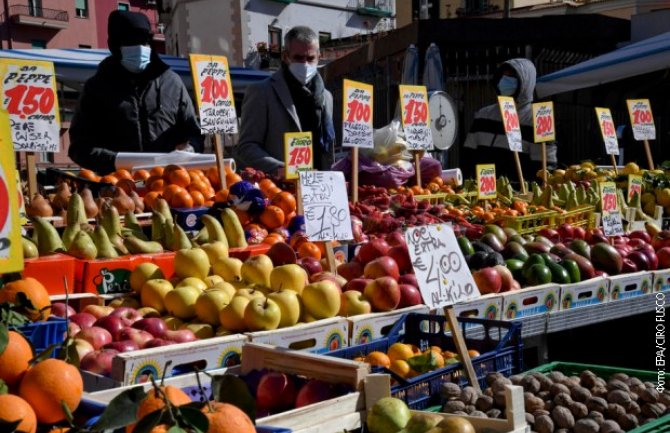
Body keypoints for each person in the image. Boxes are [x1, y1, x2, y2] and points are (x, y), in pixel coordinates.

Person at [69, 10, 203, 175]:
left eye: (145, 41)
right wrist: (116, 162)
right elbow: (79, 147)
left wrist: (189, 149)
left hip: (170, 186)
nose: (140, 47)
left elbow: (194, 133)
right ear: (115, 45)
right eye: (131, 41)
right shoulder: (96, 88)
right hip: (117, 188)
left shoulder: (172, 83)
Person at [234, 26, 335, 174]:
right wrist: (282, 169)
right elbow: (246, 147)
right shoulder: (262, 92)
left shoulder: (326, 96)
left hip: (319, 187)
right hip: (280, 190)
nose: (305, 64)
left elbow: (327, 148)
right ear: (285, 56)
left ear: (319, 57)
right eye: (298, 58)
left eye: (310, 58)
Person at [463, 58, 557, 179]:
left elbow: (544, 167)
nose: (504, 81)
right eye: (503, 76)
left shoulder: (536, 119)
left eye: (511, 76)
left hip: (518, 193)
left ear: (525, 82)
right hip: (482, 190)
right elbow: (468, 155)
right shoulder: (484, 114)